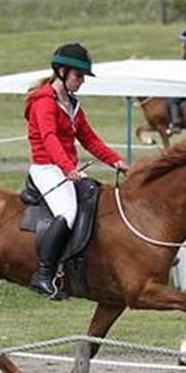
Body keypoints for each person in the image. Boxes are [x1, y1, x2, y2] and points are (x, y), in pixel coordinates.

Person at [24, 43, 129, 299]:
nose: (81, 82)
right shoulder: (44, 103)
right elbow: (49, 139)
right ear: (61, 71)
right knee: (67, 212)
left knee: (94, 195)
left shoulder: (72, 104)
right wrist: (68, 168)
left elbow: (90, 140)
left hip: (65, 168)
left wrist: (116, 161)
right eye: (78, 76)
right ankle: (43, 274)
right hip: (47, 168)